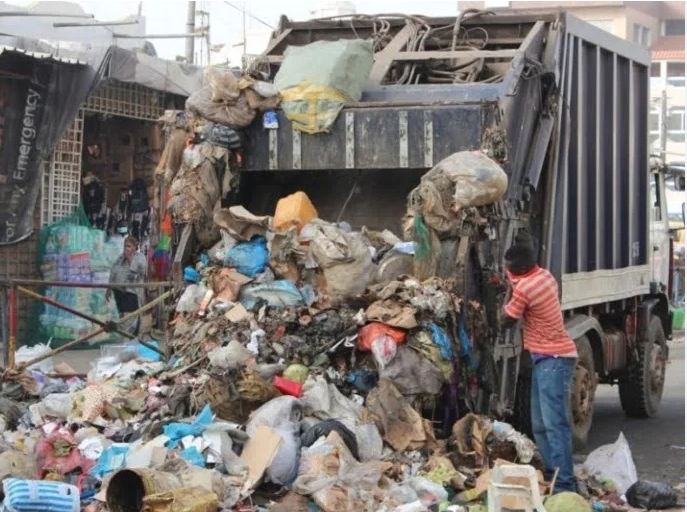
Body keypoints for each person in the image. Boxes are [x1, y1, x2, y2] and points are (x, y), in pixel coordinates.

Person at [501, 232, 578, 494]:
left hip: (553, 359)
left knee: (554, 424)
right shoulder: (544, 276)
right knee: (541, 424)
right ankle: (552, 474)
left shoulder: (526, 289)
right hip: (548, 359)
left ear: (517, 271)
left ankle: (565, 484)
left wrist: (505, 291)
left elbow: (507, 320)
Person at [106, 236, 147, 336]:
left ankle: (130, 337)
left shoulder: (140, 258)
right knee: (123, 315)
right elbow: (114, 271)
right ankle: (125, 337)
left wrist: (130, 259)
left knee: (131, 316)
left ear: (134, 247)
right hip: (119, 291)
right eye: (125, 246)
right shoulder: (120, 258)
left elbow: (142, 272)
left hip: (132, 292)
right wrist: (109, 288)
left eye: (128, 246)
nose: (126, 248)